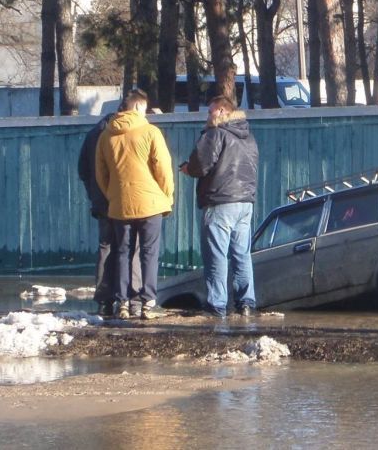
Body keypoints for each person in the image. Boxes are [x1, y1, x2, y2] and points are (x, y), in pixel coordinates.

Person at [95, 90, 174, 320]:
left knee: (122, 252)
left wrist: (113, 195)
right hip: (150, 203)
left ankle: (122, 302)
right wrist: (167, 196)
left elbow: (101, 173)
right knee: (149, 252)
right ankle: (147, 302)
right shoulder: (151, 132)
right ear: (139, 107)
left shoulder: (106, 136)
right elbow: (163, 168)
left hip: (120, 204)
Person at [180, 95, 259, 318]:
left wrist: (188, 168)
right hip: (245, 202)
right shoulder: (248, 137)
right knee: (241, 254)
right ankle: (246, 302)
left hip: (220, 200)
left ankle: (216, 304)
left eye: (211, 111)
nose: (208, 116)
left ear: (223, 111)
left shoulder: (216, 134)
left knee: (216, 255)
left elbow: (200, 164)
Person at [77, 101, 141, 318]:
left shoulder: (93, 134)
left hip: (102, 202)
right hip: (124, 199)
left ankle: (104, 301)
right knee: (130, 246)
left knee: (106, 247)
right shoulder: (130, 131)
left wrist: (95, 193)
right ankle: (132, 299)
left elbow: (83, 170)